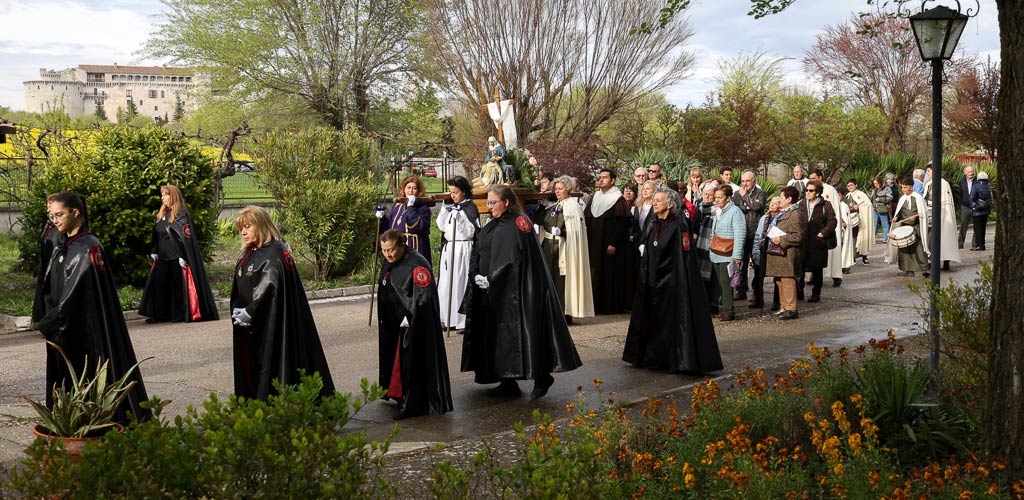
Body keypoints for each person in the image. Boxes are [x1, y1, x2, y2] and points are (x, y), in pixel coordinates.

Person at [36, 192, 150, 423]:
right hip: (64, 327)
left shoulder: (88, 246)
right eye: (52, 216)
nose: (55, 220)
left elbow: (77, 292)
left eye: (59, 215)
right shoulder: (64, 244)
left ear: (75, 213)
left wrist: (52, 320)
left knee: (86, 373)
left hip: (82, 329)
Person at [462, 185, 582, 400]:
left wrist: (494, 277)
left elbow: (515, 258)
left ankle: (542, 377)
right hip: (493, 291)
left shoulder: (519, 222)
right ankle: (507, 381)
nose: (489, 207)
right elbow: (478, 249)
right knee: (501, 337)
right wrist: (475, 274)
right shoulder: (493, 224)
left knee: (527, 334)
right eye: (488, 202)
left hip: (518, 291)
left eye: (493, 202)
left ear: (506, 202)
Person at [230, 206, 335, 400]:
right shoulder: (252, 252)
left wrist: (251, 311)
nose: (243, 232)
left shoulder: (273, 253)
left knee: (271, 362)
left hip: (271, 323)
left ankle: (270, 402)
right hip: (252, 324)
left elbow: (270, 286)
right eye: (241, 228)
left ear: (261, 226)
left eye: (247, 226)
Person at [623, 187, 723, 374]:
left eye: (659, 200)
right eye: (654, 199)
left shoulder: (679, 226)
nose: (654, 202)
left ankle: (674, 360)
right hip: (652, 283)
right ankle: (651, 357)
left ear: (669, 204)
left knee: (672, 324)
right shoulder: (653, 224)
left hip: (672, 285)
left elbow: (683, 260)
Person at [377, 230, 453, 419]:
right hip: (394, 323)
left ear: (402, 246)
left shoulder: (416, 264)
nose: (387, 255)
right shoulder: (390, 262)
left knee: (410, 365)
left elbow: (424, 299)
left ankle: (412, 403)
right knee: (396, 363)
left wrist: (410, 317)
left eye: (391, 250)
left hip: (413, 325)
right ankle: (397, 394)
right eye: (384, 250)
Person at [138, 185, 219, 324]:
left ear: (173, 196)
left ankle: (180, 314)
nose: (162, 197)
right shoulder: (162, 214)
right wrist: (154, 250)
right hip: (162, 257)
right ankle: (160, 314)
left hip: (176, 257)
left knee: (178, 287)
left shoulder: (181, 213)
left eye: (165, 194)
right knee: (160, 285)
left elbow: (184, 236)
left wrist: (183, 255)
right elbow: (158, 234)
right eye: (162, 195)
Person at [537, 176, 595, 323]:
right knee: (550, 279)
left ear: (568, 189)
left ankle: (564, 313)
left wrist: (562, 233)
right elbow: (541, 220)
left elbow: (577, 232)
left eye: (560, 189)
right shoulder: (554, 206)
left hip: (564, 249)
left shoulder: (573, 207)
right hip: (549, 247)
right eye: (556, 189)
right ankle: (550, 312)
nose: (557, 191)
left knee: (562, 281)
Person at [584, 168, 631, 315]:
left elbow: (622, 224)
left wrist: (613, 243)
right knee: (595, 272)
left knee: (609, 274)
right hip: (594, 243)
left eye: (605, 177)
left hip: (609, 244)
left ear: (613, 180)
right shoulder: (595, 197)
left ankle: (610, 306)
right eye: (600, 177)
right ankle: (595, 305)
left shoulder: (618, 199)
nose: (601, 180)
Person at [436, 176, 479, 331]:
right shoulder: (451, 206)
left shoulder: (469, 207)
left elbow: (471, 230)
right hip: (450, 249)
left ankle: (461, 320)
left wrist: (460, 218)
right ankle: (446, 318)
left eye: (456, 192)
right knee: (446, 283)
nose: (452, 195)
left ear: (464, 192)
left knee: (460, 283)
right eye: (451, 192)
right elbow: (441, 226)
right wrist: (444, 211)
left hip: (463, 249)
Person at [765, 186, 805, 320]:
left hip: (787, 252)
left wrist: (781, 239)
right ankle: (784, 306)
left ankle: (791, 308)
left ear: (789, 199)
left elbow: (798, 236)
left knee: (787, 280)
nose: (780, 200)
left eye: (782, 198)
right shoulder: (784, 212)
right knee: (780, 280)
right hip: (778, 253)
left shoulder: (795, 213)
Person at [709, 185, 746, 321]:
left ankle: (728, 311)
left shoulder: (735, 212)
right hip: (715, 252)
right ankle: (725, 308)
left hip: (728, 253)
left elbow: (740, 233)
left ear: (728, 197)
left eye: (720, 197)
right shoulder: (717, 211)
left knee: (726, 283)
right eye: (716, 197)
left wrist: (737, 255)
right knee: (720, 283)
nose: (717, 200)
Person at [799, 180, 838, 303]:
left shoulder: (825, 205)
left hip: (817, 242)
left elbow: (832, 221)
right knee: (800, 267)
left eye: (811, 190)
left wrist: (823, 233)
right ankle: (799, 291)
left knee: (817, 269)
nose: (808, 193)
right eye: (806, 190)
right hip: (803, 241)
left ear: (818, 192)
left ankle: (816, 293)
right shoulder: (801, 204)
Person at [380, 175, 433, 264]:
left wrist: (411, 207)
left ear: (419, 191)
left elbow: (416, 227)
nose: (411, 191)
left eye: (414, 188)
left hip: (415, 246)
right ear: (404, 189)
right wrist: (382, 218)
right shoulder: (397, 206)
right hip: (396, 247)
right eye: (408, 187)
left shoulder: (423, 209)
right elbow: (388, 227)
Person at [732, 170, 766, 302]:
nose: (745, 183)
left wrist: (745, 197)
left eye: (748, 181)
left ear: (754, 181)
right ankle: (741, 290)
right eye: (743, 181)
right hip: (741, 233)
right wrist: (746, 205)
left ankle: (757, 292)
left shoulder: (760, 193)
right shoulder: (736, 194)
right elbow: (736, 207)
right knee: (741, 263)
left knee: (757, 264)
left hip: (755, 233)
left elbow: (757, 206)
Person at [808, 170, 844, 286]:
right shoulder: (809, 190)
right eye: (810, 178)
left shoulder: (830, 190)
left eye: (814, 178)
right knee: (814, 254)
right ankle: (813, 276)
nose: (811, 180)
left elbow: (834, 211)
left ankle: (835, 276)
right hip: (815, 228)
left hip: (827, 228)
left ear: (820, 177)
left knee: (833, 252)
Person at [32, 193, 63, 326]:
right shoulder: (49, 224)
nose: (49, 207)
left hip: (55, 266)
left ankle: (54, 324)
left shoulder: (59, 227)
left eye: (51, 204)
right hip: (46, 264)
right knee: (46, 294)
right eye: (48, 204)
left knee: (52, 295)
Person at [888, 179, 930, 277]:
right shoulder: (902, 198)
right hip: (905, 226)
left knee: (919, 248)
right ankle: (908, 270)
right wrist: (896, 217)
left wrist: (916, 216)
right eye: (902, 187)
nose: (903, 189)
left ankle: (925, 269)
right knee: (904, 248)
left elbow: (924, 212)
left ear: (911, 187)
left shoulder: (918, 198)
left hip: (916, 226)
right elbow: (899, 212)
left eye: (905, 187)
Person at [924, 165, 961, 269]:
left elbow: (945, 200)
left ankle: (945, 261)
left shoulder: (944, 184)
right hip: (931, 213)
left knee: (944, 237)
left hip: (943, 214)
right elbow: (925, 198)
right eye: (927, 171)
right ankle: (930, 261)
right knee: (930, 238)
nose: (928, 173)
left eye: (929, 171)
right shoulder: (928, 184)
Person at [750, 196, 781, 309]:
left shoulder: (781, 217)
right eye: (771, 203)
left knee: (777, 279)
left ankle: (776, 302)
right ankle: (759, 299)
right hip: (761, 250)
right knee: (758, 277)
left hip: (774, 250)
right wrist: (755, 251)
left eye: (775, 203)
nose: (772, 205)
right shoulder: (764, 218)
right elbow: (758, 235)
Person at [695, 183, 720, 314]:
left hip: (713, 244)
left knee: (714, 276)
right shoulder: (699, 208)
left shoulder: (718, 209)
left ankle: (714, 303)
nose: (708, 197)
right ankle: (704, 303)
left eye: (711, 195)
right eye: (706, 194)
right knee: (703, 274)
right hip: (701, 245)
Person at [843, 179, 875, 267]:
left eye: (851, 185)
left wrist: (859, 207)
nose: (850, 187)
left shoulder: (861, 195)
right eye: (848, 186)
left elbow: (868, 205)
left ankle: (864, 257)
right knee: (852, 239)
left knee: (862, 238)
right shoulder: (847, 196)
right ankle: (852, 257)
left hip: (861, 220)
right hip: (851, 221)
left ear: (856, 185)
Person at [969, 171, 992, 251]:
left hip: (977, 211)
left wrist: (973, 206)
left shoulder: (976, 186)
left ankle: (979, 245)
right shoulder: (988, 186)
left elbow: (972, 197)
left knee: (978, 228)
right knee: (983, 228)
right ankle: (983, 244)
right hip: (985, 210)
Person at [957, 165, 977, 250]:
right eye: (968, 172)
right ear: (965, 173)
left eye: (972, 171)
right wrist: (961, 204)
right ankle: (960, 243)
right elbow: (960, 194)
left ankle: (975, 244)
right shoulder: (961, 182)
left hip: (976, 206)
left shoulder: (977, 181)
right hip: (965, 206)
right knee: (963, 225)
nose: (970, 173)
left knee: (976, 225)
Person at [870, 177, 893, 244]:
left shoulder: (887, 188)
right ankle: (872, 239)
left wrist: (880, 199)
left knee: (885, 224)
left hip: (883, 208)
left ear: (880, 182)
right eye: (874, 183)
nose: (875, 185)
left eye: (876, 183)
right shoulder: (874, 189)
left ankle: (886, 239)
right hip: (875, 209)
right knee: (874, 224)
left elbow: (890, 198)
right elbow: (872, 198)